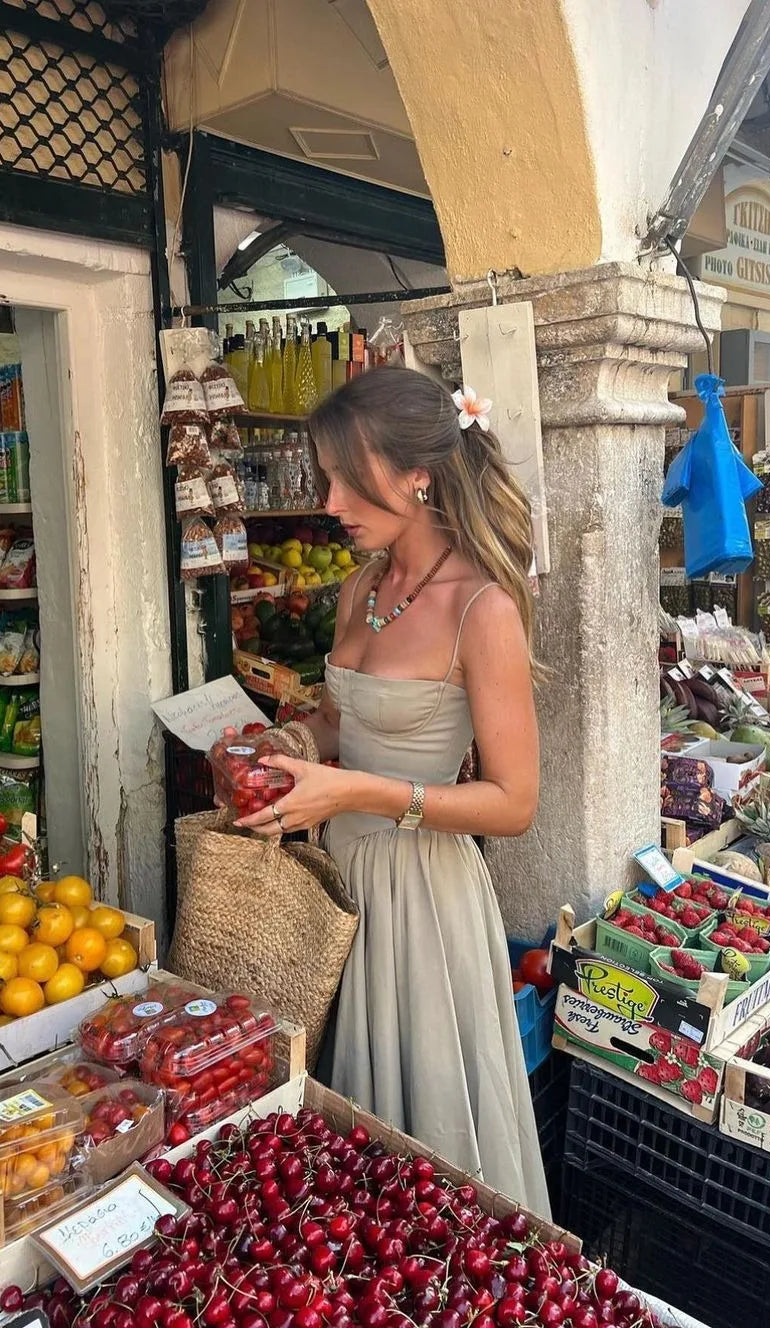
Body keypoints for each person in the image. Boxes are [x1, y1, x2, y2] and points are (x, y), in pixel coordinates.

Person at [234, 364, 550, 1215]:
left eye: (347, 476)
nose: (330, 500)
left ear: (418, 472)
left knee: (431, 1144)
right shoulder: (358, 590)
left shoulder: (482, 609)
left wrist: (353, 794)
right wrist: (288, 743)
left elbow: (514, 803)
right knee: (356, 1125)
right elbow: (339, 719)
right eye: (325, 475)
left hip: (424, 902)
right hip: (339, 894)